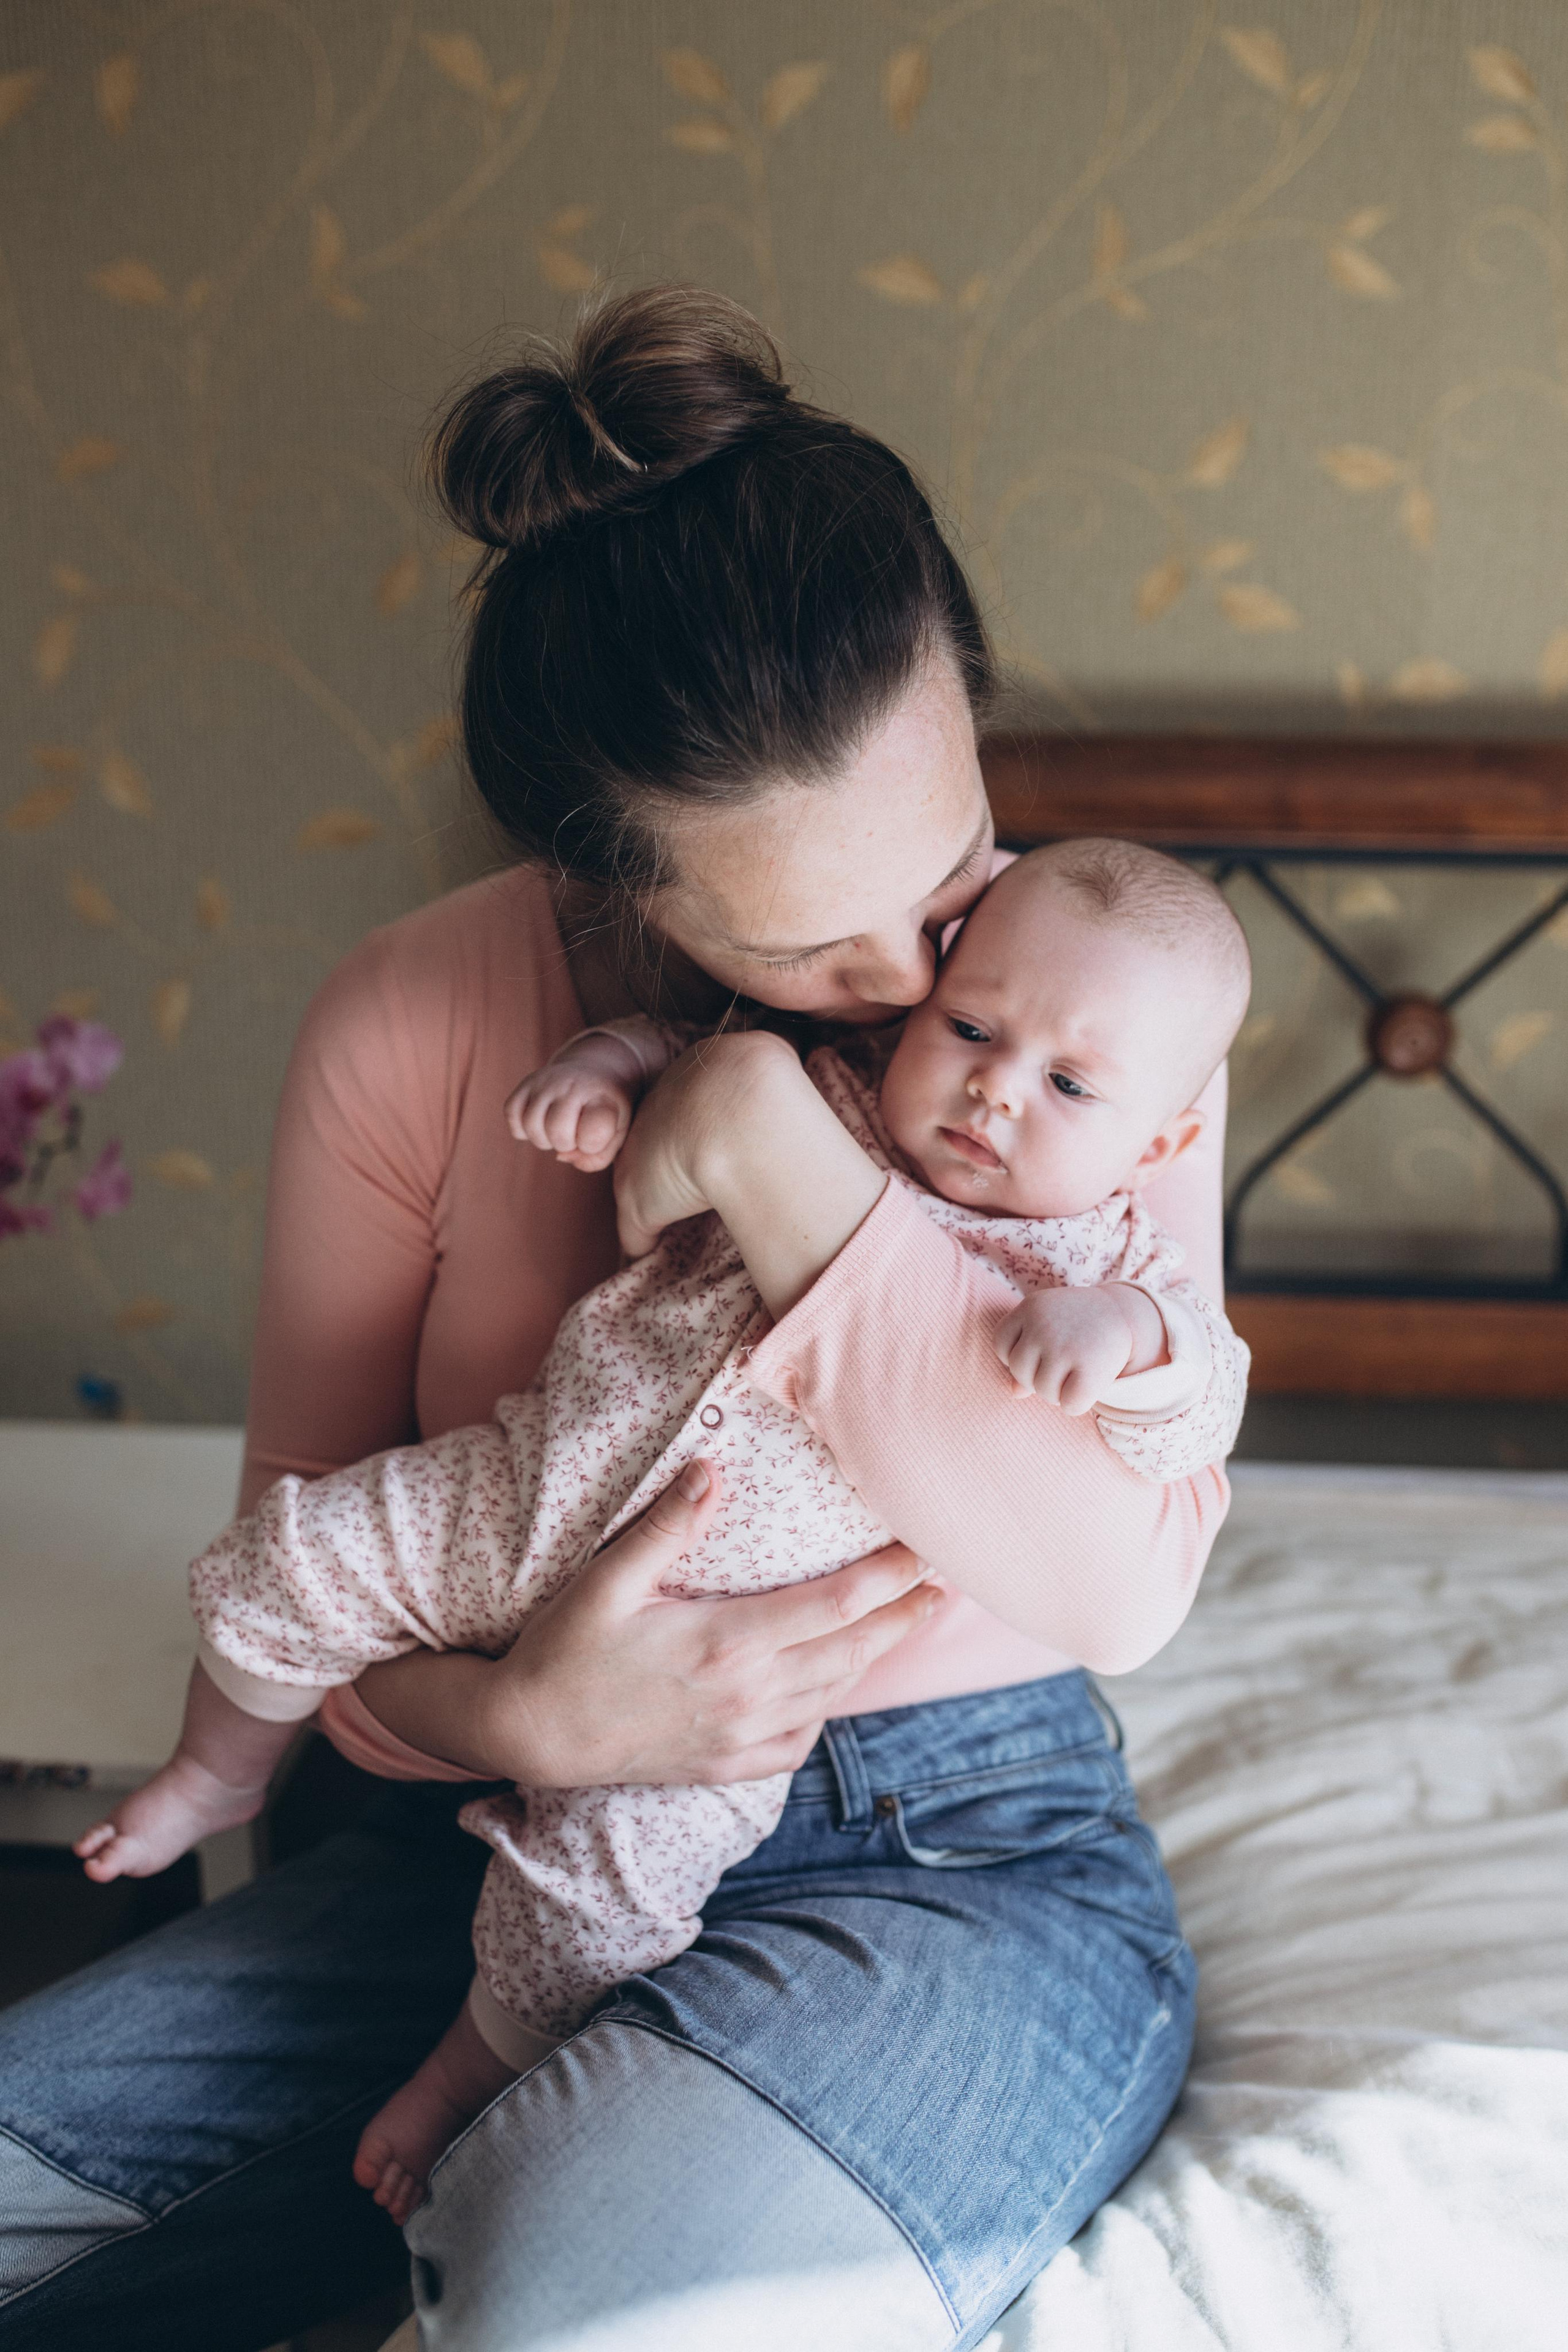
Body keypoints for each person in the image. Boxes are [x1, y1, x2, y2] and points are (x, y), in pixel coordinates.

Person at [0, 288, 1230, 2352]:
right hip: (464, 1849)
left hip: (948, 1864)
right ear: (614, 888)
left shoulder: (1099, 1001)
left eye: (944, 885)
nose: (930, 983)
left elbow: (1115, 1584)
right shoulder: (416, 1021)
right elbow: (313, 1560)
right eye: (808, 949)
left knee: (589, 2301)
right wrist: (526, 1725)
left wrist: (770, 1139)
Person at [73, 838, 1251, 2228]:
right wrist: (606, 1072)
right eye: (971, 1030)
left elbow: (1197, 1406)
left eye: (1065, 1085)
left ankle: (465, 2075)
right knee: (297, 1554)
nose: (995, 1085)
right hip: (516, 1499)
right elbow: (691, 1046)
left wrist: (1126, 1339)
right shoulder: (841, 1073)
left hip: (744, 1682)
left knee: (596, 1897)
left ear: (1159, 1138)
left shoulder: (1104, 1257)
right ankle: (219, 1772)